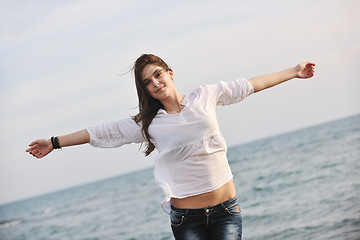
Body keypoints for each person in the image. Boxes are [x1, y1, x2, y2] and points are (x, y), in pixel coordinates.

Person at [26, 54, 315, 239]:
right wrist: (54, 142)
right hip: (186, 220)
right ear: (145, 90)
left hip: (226, 210)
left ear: (170, 72)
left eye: (157, 75)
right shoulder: (148, 123)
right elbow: (100, 132)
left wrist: (294, 70)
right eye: (147, 82)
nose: (154, 83)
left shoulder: (206, 95)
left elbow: (251, 85)